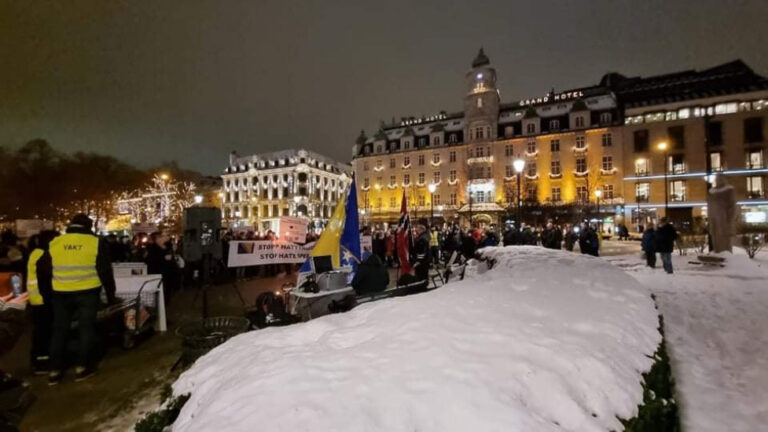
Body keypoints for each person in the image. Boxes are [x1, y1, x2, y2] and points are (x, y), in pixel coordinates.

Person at [37, 214, 118, 385]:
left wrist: (46, 295)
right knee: (86, 328)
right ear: (88, 226)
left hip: (60, 293)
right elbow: (105, 271)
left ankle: (54, 371)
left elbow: (42, 269)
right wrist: (111, 296)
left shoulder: (56, 243)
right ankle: (82, 367)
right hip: (88, 292)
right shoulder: (95, 242)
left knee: (59, 330)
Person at [26, 230, 59, 374]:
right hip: (43, 299)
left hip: (37, 299)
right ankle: (41, 362)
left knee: (41, 331)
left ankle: (40, 360)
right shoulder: (43, 255)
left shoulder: (36, 253)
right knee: (43, 332)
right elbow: (47, 278)